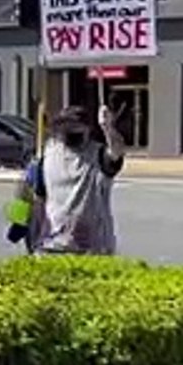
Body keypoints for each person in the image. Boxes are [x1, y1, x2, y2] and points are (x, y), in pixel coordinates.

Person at [35, 105, 125, 255]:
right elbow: (39, 199)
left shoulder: (98, 155)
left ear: (88, 129)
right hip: (52, 244)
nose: (71, 130)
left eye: (76, 126)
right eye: (66, 127)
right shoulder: (48, 156)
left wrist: (108, 128)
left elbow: (116, 153)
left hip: (92, 248)